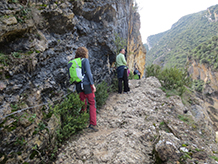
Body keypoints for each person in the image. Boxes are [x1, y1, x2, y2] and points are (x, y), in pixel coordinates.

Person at [75, 47, 98, 132]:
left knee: (82, 103)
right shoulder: (85, 60)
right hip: (87, 85)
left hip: (78, 86)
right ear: (85, 53)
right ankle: (92, 124)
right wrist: (92, 84)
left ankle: (82, 122)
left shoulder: (75, 62)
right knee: (92, 103)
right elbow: (88, 73)